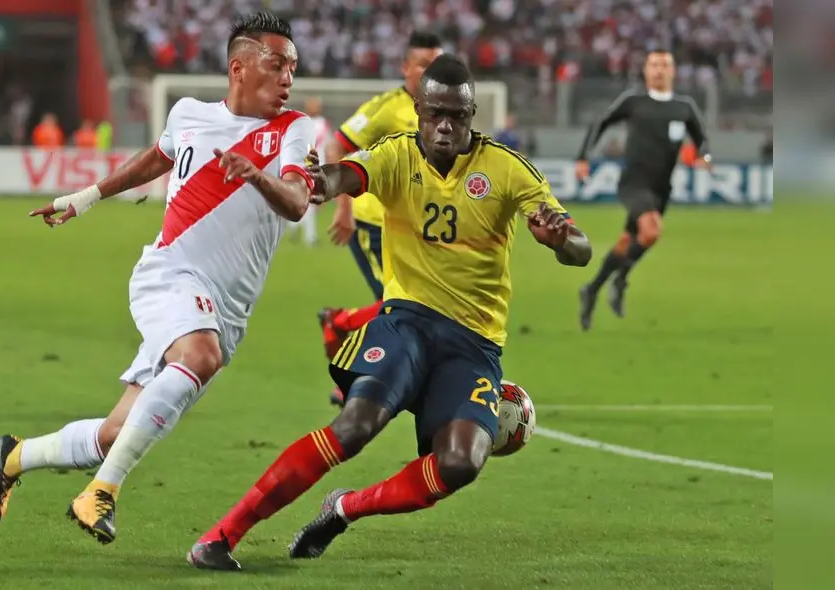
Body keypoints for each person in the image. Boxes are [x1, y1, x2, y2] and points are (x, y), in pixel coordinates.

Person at [188, 54, 592, 572]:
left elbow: (579, 247)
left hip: (474, 346)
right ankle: (222, 536)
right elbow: (344, 175)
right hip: (407, 323)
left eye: (459, 116)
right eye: (435, 113)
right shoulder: (397, 155)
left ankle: (344, 508)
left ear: (473, 117)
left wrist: (561, 240)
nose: (446, 125)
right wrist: (318, 183)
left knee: (461, 463)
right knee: (355, 426)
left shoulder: (506, 169)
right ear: (418, 109)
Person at [0, 12, 316, 546]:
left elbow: (297, 201)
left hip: (226, 308)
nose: (288, 78)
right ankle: (100, 493)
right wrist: (87, 198)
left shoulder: (293, 129)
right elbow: (155, 159)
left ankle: (15, 456)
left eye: (293, 67)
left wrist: (256, 176)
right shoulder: (189, 114)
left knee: (116, 434)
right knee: (200, 356)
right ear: (239, 67)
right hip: (170, 275)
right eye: (277, 65)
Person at [318, 31, 443, 406]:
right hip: (375, 222)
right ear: (406, 67)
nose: (429, 72)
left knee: (412, 305)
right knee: (398, 305)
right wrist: (343, 207)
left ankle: (345, 337)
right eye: (423, 64)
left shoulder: (440, 112)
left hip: (415, 226)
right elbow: (337, 144)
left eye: (436, 64)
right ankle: (343, 335)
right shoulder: (387, 107)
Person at [576, 49, 712, 330]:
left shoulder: (683, 107)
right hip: (634, 183)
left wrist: (703, 158)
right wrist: (583, 156)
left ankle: (592, 289)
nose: (659, 70)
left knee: (627, 242)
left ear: (673, 71)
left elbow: (703, 141)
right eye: (654, 65)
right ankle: (622, 278)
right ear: (646, 71)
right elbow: (600, 122)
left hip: (662, 188)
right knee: (651, 232)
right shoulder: (634, 101)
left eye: (665, 64)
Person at [289, 96, 331, 246]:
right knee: (311, 202)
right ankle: (310, 237)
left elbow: (328, 145)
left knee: (313, 203)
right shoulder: (302, 122)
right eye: (312, 104)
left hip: (320, 167)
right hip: (306, 166)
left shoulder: (323, 124)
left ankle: (294, 226)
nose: (315, 107)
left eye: (317, 105)